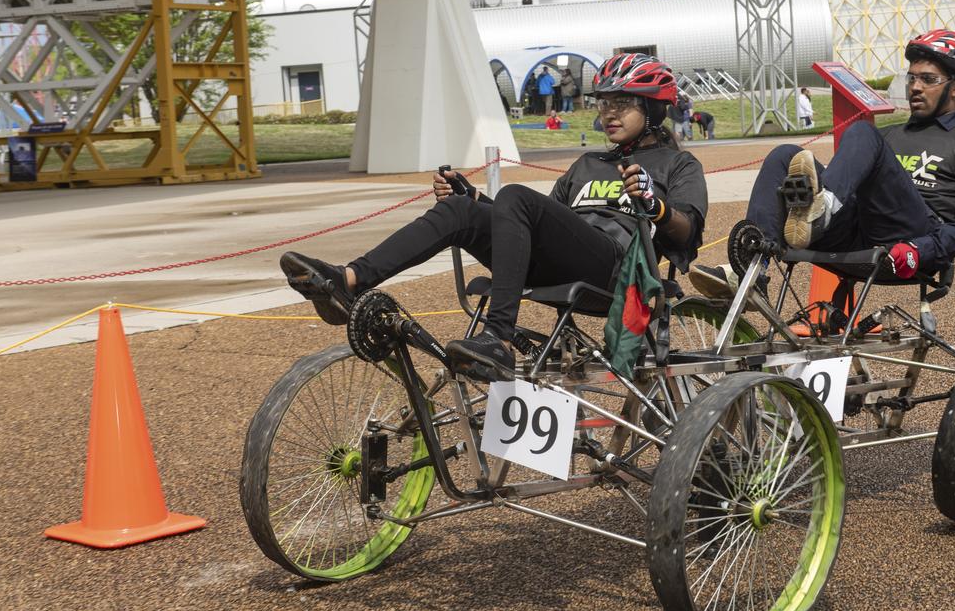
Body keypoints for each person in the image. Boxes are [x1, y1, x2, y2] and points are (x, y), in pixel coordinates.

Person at [281, 53, 708, 381]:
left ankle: (499, 337)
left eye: (624, 103)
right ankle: (350, 280)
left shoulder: (678, 165)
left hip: (618, 272)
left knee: (515, 195)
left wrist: (656, 207)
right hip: (565, 263)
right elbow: (539, 222)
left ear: (655, 109)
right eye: (604, 103)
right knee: (460, 208)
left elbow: (687, 230)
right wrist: (475, 203)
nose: (609, 113)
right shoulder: (587, 164)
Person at [689, 29, 955, 298]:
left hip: (912, 240)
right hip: (856, 231)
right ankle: (751, 271)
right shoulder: (890, 136)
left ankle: (821, 209)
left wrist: (923, 249)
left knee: (862, 132)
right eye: (911, 77)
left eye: (928, 79)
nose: (915, 87)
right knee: (784, 153)